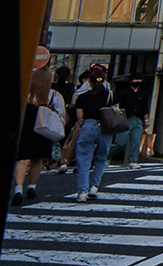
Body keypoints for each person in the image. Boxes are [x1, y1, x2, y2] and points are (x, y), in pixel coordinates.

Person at [13, 61, 65, 206]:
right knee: (37, 159)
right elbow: (61, 114)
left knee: (22, 158)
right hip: (43, 127)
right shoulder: (53, 95)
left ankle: (18, 189)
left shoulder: (25, 92)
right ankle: (32, 187)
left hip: (26, 127)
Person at [72, 64, 113, 202]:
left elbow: (80, 117)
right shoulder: (110, 96)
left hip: (88, 126)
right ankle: (94, 186)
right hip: (105, 127)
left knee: (83, 159)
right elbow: (116, 110)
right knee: (101, 157)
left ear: (89, 82)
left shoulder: (83, 97)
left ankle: (82, 192)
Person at [110, 74, 150, 168]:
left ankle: (133, 161)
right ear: (131, 81)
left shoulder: (143, 94)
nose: (138, 81)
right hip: (125, 119)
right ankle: (105, 155)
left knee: (136, 142)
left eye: (139, 79)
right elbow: (117, 106)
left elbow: (145, 108)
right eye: (135, 79)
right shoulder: (124, 93)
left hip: (138, 119)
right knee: (120, 142)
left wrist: (146, 120)